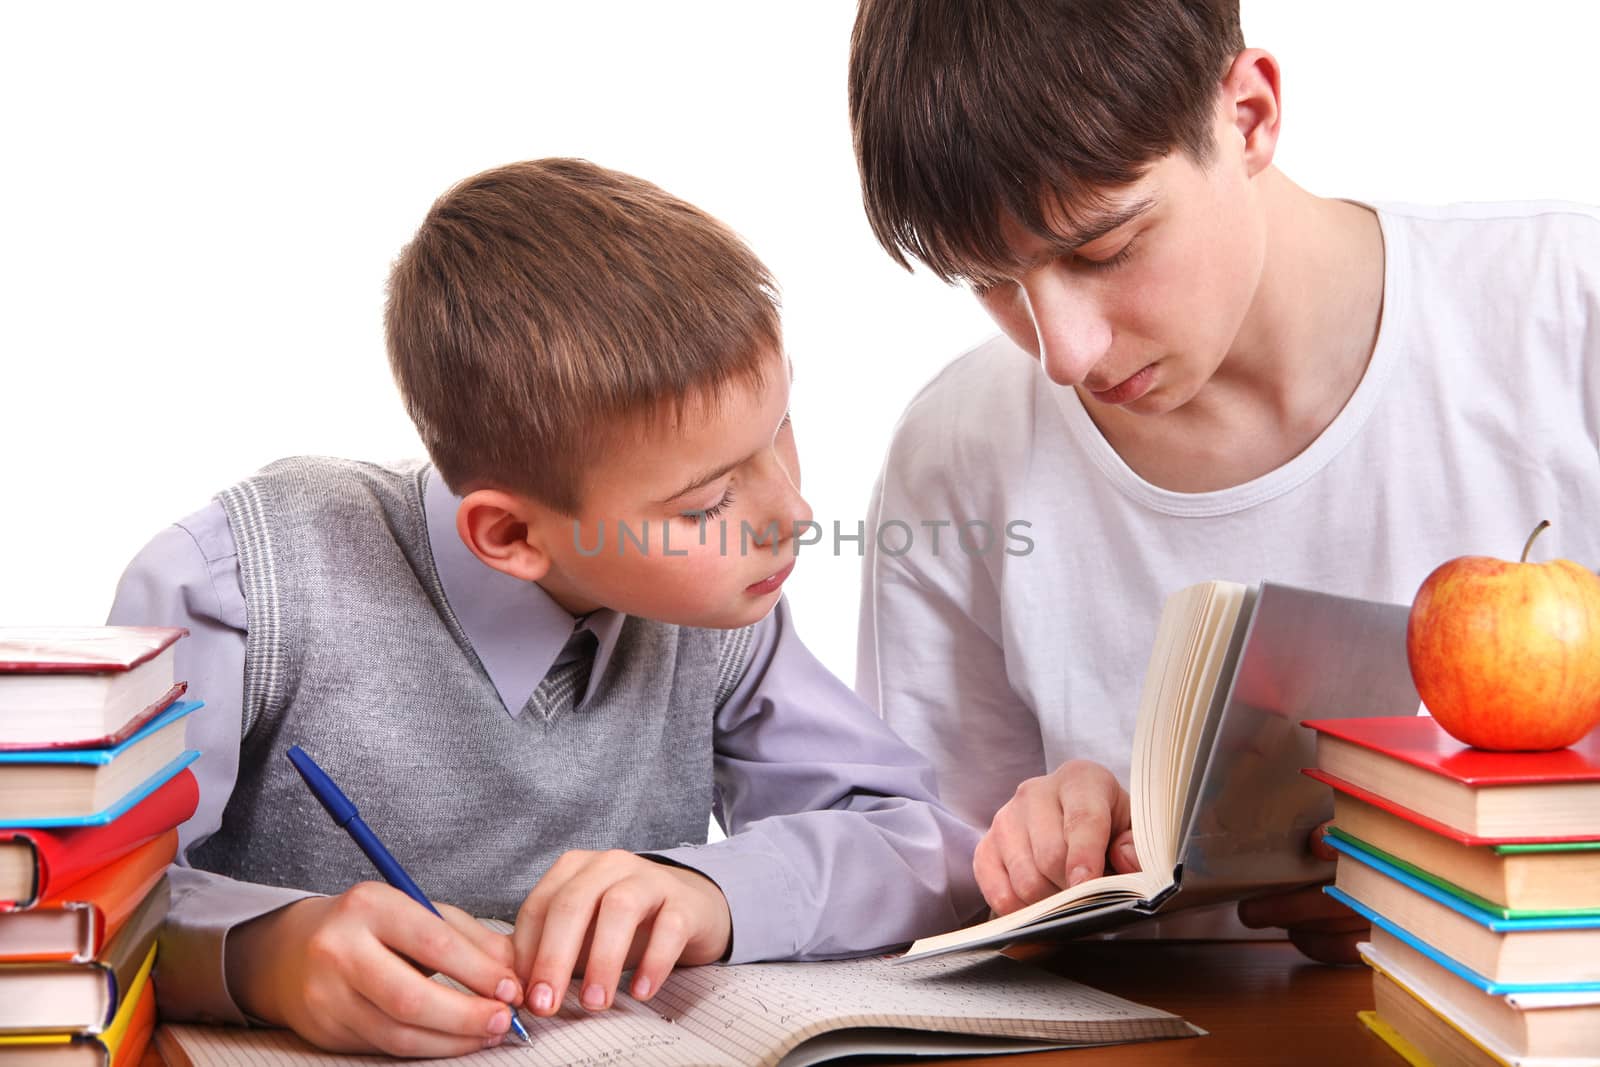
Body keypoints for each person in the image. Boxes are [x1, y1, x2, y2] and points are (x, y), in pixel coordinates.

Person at [108, 158, 984, 1056]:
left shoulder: (723, 613)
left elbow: (923, 846)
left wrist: (712, 890)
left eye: (780, 429)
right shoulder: (239, 585)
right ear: (511, 535)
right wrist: (263, 956)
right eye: (703, 505)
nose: (790, 513)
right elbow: (66, 903)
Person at [846, 0, 1600, 964]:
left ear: (1248, 115)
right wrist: (1034, 865)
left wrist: (1461, 871)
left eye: (1105, 248)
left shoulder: (1564, 316)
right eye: (990, 281)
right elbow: (932, 919)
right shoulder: (956, 452)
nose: (1065, 354)